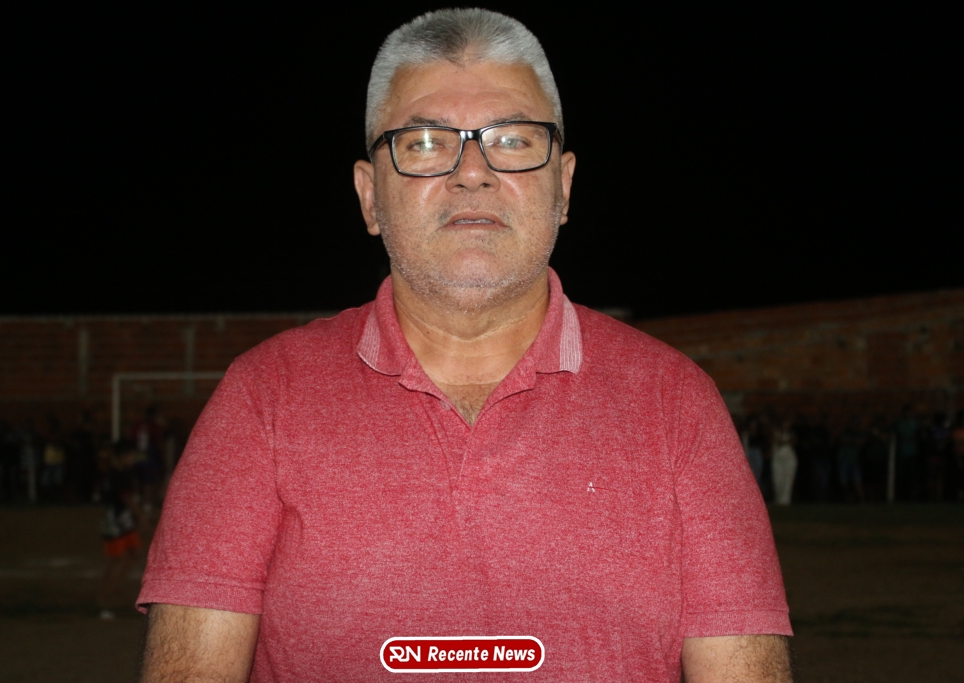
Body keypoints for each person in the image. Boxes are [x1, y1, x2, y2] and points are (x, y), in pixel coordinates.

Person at [137, 9, 792, 682]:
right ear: (370, 196)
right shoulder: (263, 399)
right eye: (424, 142)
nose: (471, 172)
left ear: (564, 186)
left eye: (512, 139)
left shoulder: (676, 403)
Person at [97, 439, 145, 620]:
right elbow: (127, 499)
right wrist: (141, 516)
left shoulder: (118, 473)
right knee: (116, 560)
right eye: (130, 455)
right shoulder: (116, 475)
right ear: (122, 456)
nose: (133, 459)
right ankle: (103, 600)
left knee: (134, 553)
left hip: (123, 520)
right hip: (115, 521)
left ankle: (115, 586)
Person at [771, 418, 798, 506]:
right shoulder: (776, 432)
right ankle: (778, 500)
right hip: (778, 459)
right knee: (778, 480)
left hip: (789, 458)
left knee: (788, 480)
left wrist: (784, 442)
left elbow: (792, 441)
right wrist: (785, 442)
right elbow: (776, 442)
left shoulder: (792, 433)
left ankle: (786, 501)